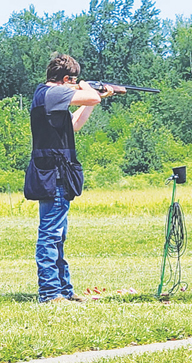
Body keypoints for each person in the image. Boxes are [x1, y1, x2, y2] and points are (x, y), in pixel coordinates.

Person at [24, 54, 114, 303]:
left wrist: (92, 101)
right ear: (67, 79)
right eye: (72, 80)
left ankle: (64, 290)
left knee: (57, 235)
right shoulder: (51, 93)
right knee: (50, 235)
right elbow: (92, 95)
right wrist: (90, 89)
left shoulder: (50, 97)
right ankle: (50, 293)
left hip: (55, 173)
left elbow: (74, 124)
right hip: (54, 175)